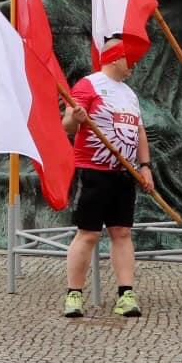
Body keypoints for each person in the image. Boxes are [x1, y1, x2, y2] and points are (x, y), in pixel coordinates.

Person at [61, 35, 154, 318]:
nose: (134, 65)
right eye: (130, 58)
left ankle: (126, 294)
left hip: (124, 174)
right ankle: (73, 295)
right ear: (115, 57)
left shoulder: (130, 94)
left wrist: (145, 165)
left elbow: (138, 131)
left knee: (122, 232)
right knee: (88, 233)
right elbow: (67, 126)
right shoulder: (88, 85)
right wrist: (75, 118)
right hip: (95, 172)